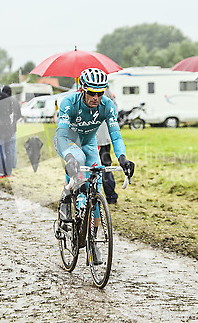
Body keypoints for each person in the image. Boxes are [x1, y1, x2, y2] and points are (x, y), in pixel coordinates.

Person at [55, 68, 135, 265]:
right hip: (68, 141)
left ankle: (93, 243)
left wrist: (123, 158)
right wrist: (69, 158)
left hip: (90, 144)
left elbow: (115, 135)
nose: (96, 98)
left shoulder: (107, 105)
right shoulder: (69, 103)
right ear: (82, 90)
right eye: (91, 93)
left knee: (96, 183)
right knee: (79, 160)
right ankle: (67, 195)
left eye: (100, 93)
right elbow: (61, 134)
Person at [96, 89, 118, 204]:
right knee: (105, 166)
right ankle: (111, 196)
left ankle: (96, 195)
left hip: (98, 138)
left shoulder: (85, 91)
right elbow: (115, 112)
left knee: (96, 167)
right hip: (104, 137)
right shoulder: (108, 92)